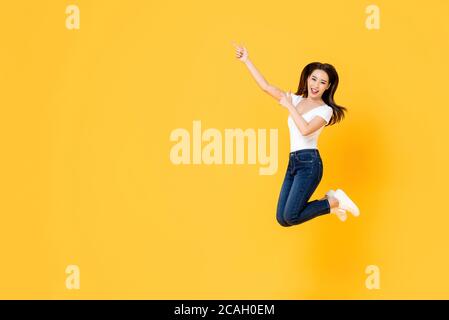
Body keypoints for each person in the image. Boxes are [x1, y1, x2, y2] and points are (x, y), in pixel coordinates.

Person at [233, 42, 360, 226]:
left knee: (292, 216)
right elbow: (266, 87)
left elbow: (305, 129)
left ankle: (335, 201)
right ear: (307, 79)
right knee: (282, 219)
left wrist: (289, 106)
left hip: (310, 164)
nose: (316, 85)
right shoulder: (295, 99)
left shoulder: (325, 110)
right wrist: (247, 60)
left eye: (322, 82)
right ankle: (330, 203)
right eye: (314, 79)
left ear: (328, 86)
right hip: (293, 162)